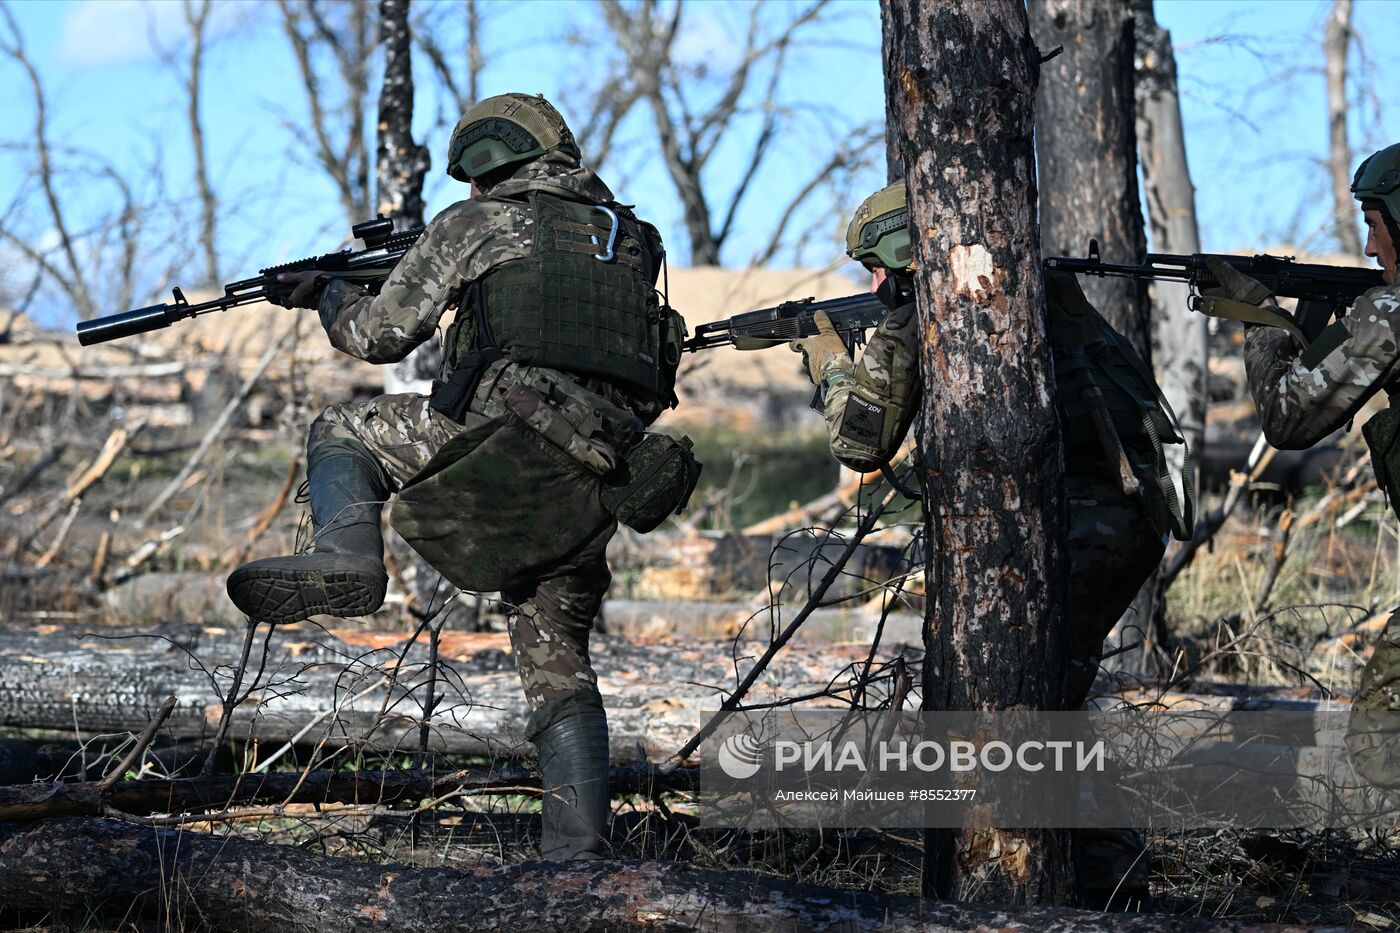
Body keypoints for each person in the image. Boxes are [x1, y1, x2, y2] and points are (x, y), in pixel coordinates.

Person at [227, 93, 684, 859]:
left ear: (481, 165)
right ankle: (577, 861)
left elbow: (379, 336)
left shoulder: (473, 224)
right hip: (595, 475)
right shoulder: (631, 239)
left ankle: (346, 554)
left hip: (494, 443)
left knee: (343, 426)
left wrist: (332, 292)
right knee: (558, 655)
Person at [792, 180, 1190, 907]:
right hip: (1124, 517)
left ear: (908, 258)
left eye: (877, 268)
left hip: (1086, 521)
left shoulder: (930, 307)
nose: (875, 286)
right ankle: (1108, 872)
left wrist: (828, 361)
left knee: (1026, 710)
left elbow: (860, 440)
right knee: (1051, 704)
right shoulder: (1028, 286)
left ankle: (1073, 882)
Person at [1221, 142, 1400, 789]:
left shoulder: (1388, 312)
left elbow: (1288, 418)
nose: (1372, 249)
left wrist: (1263, 319)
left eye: (1377, 228)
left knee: (1382, 748)